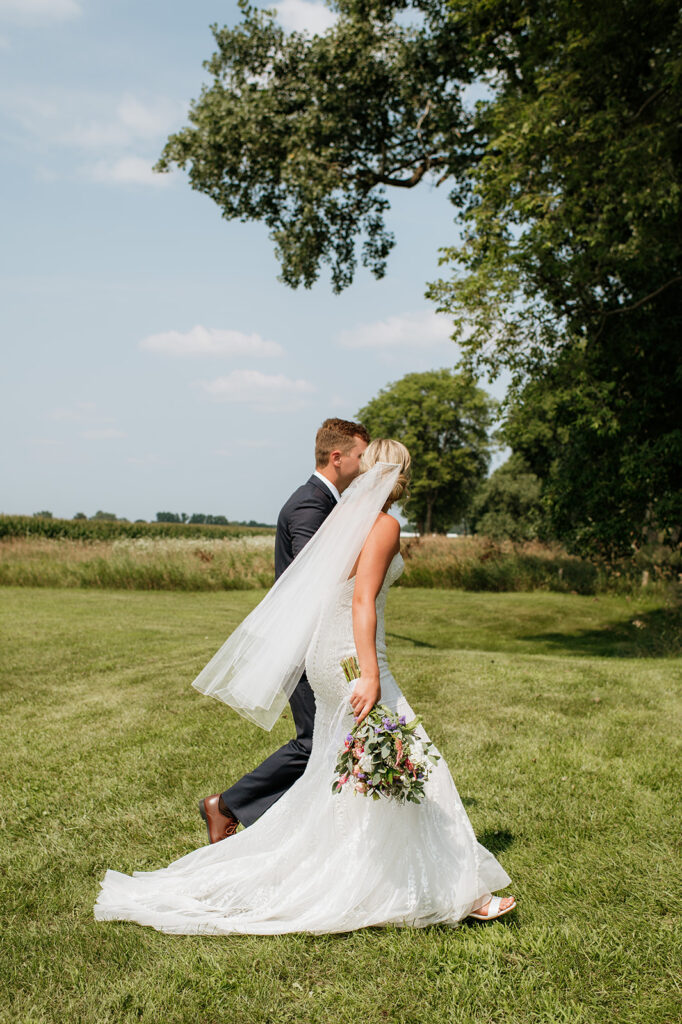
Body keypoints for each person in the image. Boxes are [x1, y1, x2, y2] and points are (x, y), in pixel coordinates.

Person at [94, 439, 516, 933]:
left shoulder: (344, 520)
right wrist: (370, 674)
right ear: (400, 476)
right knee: (412, 758)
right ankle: (461, 892)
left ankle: (385, 874)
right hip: (351, 658)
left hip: (330, 654)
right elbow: (361, 601)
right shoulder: (383, 526)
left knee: (354, 769)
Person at [198, 418, 369, 843]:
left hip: (318, 642)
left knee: (333, 737)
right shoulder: (311, 506)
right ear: (337, 457)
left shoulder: (323, 502)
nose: (366, 466)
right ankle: (225, 805)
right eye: (361, 457)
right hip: (304, 645)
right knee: (315, 741)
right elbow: (321, 580)